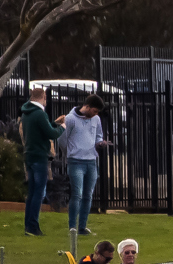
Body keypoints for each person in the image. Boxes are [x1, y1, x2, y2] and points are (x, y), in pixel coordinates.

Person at [19, 87, 64, 238]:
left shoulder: (27, 113)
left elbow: (41, 129)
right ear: (43, 96)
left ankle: (28, 225)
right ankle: (33, 226)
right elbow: (51, 134)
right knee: (39, 192)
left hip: (30, 155)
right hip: (39, 157)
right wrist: (62, 127)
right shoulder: (39, 113)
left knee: (32, 192)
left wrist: (54, 123)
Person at [62, 95, 108, 236]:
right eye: (94, 110)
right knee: (77, 194)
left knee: (88, 195)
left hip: (91, 161)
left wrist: (100, 143)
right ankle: (72, 227)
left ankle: (82, 227)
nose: (95, 114)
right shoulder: (70, 119)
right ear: (87, 106)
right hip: (76, 161)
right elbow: (62, 139)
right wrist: (69, 153)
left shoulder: (96, 119)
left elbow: (98, 135)